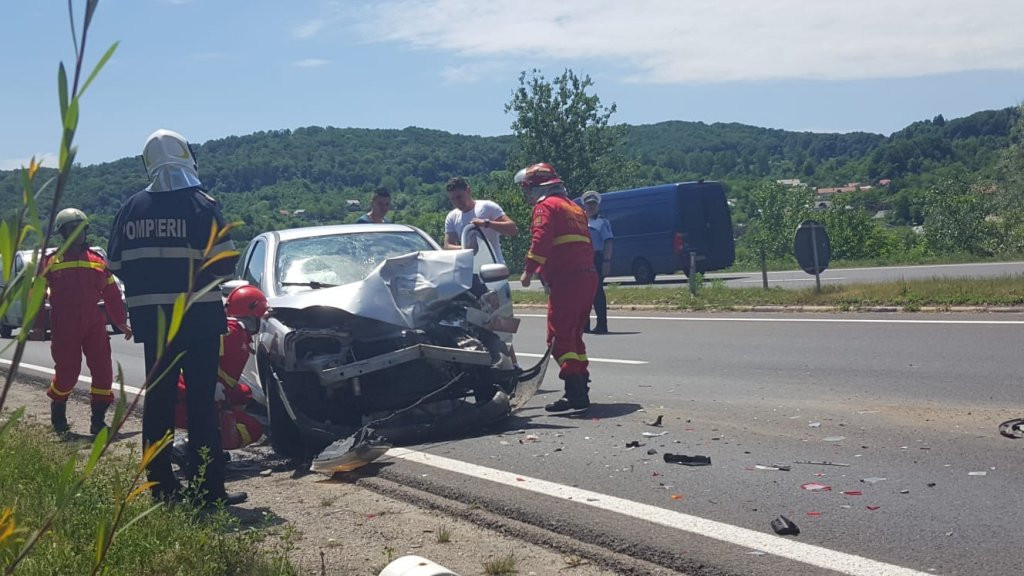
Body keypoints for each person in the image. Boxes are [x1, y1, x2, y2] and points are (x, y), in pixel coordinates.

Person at [107, 129, 246, 507]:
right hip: (199, 322)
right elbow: (227, 264)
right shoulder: (202, 204)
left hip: (155, 326)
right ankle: (208, 490)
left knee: (159, 403)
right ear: (186, 156)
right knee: (202, 405)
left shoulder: (130, 209)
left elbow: (115, 264)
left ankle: (161, 489)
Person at [42, 208, 132, 435]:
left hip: (94, 323)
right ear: (62, 232)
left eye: (81, 228)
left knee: (103, 371)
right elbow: (36, 295)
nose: (78, 233)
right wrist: (34, 325)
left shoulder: (98, 261)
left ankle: (98, 421)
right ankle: (58, 414)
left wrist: (121, 322)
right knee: (67, 373)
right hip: (64, 324)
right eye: (72, 229)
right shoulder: (51, 261)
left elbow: (112, 294)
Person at [515, 163, 597, 412]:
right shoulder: (575, 207)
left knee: (559, 338)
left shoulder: (546, 206)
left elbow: (541, 239)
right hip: (587, 277)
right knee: (574, 337)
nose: (526, 194)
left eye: (526, 189)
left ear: (535, 187)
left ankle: (575, 393)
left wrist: (529, 270)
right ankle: (580, 386)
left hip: (567, 279)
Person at [173, 286, 268, 463]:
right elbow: (200, 358)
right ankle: (193, 448)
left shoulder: (232, 330)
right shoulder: (231, 332)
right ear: (252, 314)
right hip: (186, 395)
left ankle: (206, 443)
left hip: (190, 390)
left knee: (244, 394)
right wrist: (210, 386)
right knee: (253, 428)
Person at [443, 176, 518, 264]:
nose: (457, 202)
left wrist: (487, 223)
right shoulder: (452, 217)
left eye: (459, 197)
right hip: (469, 269)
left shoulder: (487, 207)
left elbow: (513, 229)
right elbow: (447, 246)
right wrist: (466, 249)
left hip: (494, 266)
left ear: (468, 191)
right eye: (453, 199)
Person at [581, 191, 614, 334]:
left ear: (598, 206)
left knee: (597, 292)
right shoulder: (580, 221)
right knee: (583, 293)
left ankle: (602, 324)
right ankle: (584, 324)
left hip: (597, 258)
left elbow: (608, 242)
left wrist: (607, 261)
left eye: (594, 204)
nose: (591, 207)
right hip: (582, 258)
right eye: (589, 204)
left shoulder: (602, 222)